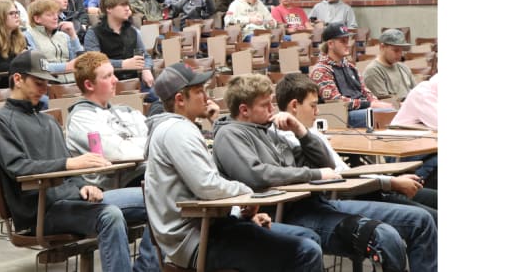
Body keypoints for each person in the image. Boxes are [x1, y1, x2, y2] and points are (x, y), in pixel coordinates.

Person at [211, 73, 437, 272]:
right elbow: (258, 175)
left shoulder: (271, 131)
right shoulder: (230, 135)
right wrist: (315, 175)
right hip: (289, 213)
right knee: (384, 237)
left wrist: (301, 131)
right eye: (265, 105)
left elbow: (324, 163)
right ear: (244, 110)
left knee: (420, 220)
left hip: (319, 203)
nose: (272, 110)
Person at [0, 50, 159, 272]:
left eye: (47, 83)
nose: (44, 89)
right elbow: (18, 167)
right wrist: (69, 165)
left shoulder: (48, 122)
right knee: (110, 215)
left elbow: (69, 172)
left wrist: (84, 185)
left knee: (160, 198)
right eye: (38, 83)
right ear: (18, 79)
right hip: (41, 211)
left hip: (72, 200)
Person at [143, 62, 323, 271]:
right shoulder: (177, 131)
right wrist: (246, 192)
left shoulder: (178, 128)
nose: (206, 97)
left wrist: (239, 213)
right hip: (197, 241)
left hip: (212, 228)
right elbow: (207, 186)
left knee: (307, 237)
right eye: (199, 91)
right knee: (305, 251)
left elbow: (203, 191)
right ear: (180, 100)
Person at [270, 74, 438, 222]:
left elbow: (347, 171)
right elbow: (339, 175)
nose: (317, 111)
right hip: (352, 194)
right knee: (428, 218)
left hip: (366, 185)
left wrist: (389, 180)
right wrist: (391, 183)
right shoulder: (290, 138)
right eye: (313, 106)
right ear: (294, 106)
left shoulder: (311, 131)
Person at [67, 51, 148, 188]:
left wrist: (129, 143)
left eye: (113, 74)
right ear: (89, 85)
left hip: (146, 173)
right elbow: (119, 153)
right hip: (117, 185)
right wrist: (148, 146)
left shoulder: (125, 110)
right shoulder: (81, 118)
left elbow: (155, 138)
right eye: (108, 76)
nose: (115, 80)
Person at [310, 24, 393, 128]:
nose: (348, 45)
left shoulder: (351, 67)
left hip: (360, 110)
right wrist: (369, 104)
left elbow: (365, 91)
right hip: (342, 115)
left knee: (390, 110)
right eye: (343, 41)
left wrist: (375, 101)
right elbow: (337, 102)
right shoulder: (320, 70)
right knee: (383, 114)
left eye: (347, 41)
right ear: (330, 44)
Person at [84, 0, 157, 102]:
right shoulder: (93, 33)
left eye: (127, 5)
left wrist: (146, 68)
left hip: (135, 83)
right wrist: (122, 64)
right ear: (109, 9)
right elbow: (94, 62)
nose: (127, 9)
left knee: (161, 97)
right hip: (107, 86)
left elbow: (145, 56)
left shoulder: (132, 31)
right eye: (123, 5)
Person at [23, 0, 83, 84]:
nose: (56, 17)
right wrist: (66, 67)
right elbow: (37, 66)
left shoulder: (64, 36)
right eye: (50, 15)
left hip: (73, 82)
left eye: (56, 14)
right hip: (48, 85)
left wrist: (73, 35)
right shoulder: (27, 36)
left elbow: (80, 61)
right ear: (37, 19)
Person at [363, 29, 417, 102]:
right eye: (396, 50)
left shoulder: (403, 68)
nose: (400, 54)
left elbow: (416, 92)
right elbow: (385, 103)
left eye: (401, 50)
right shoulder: (373, 71)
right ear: (382, 47)